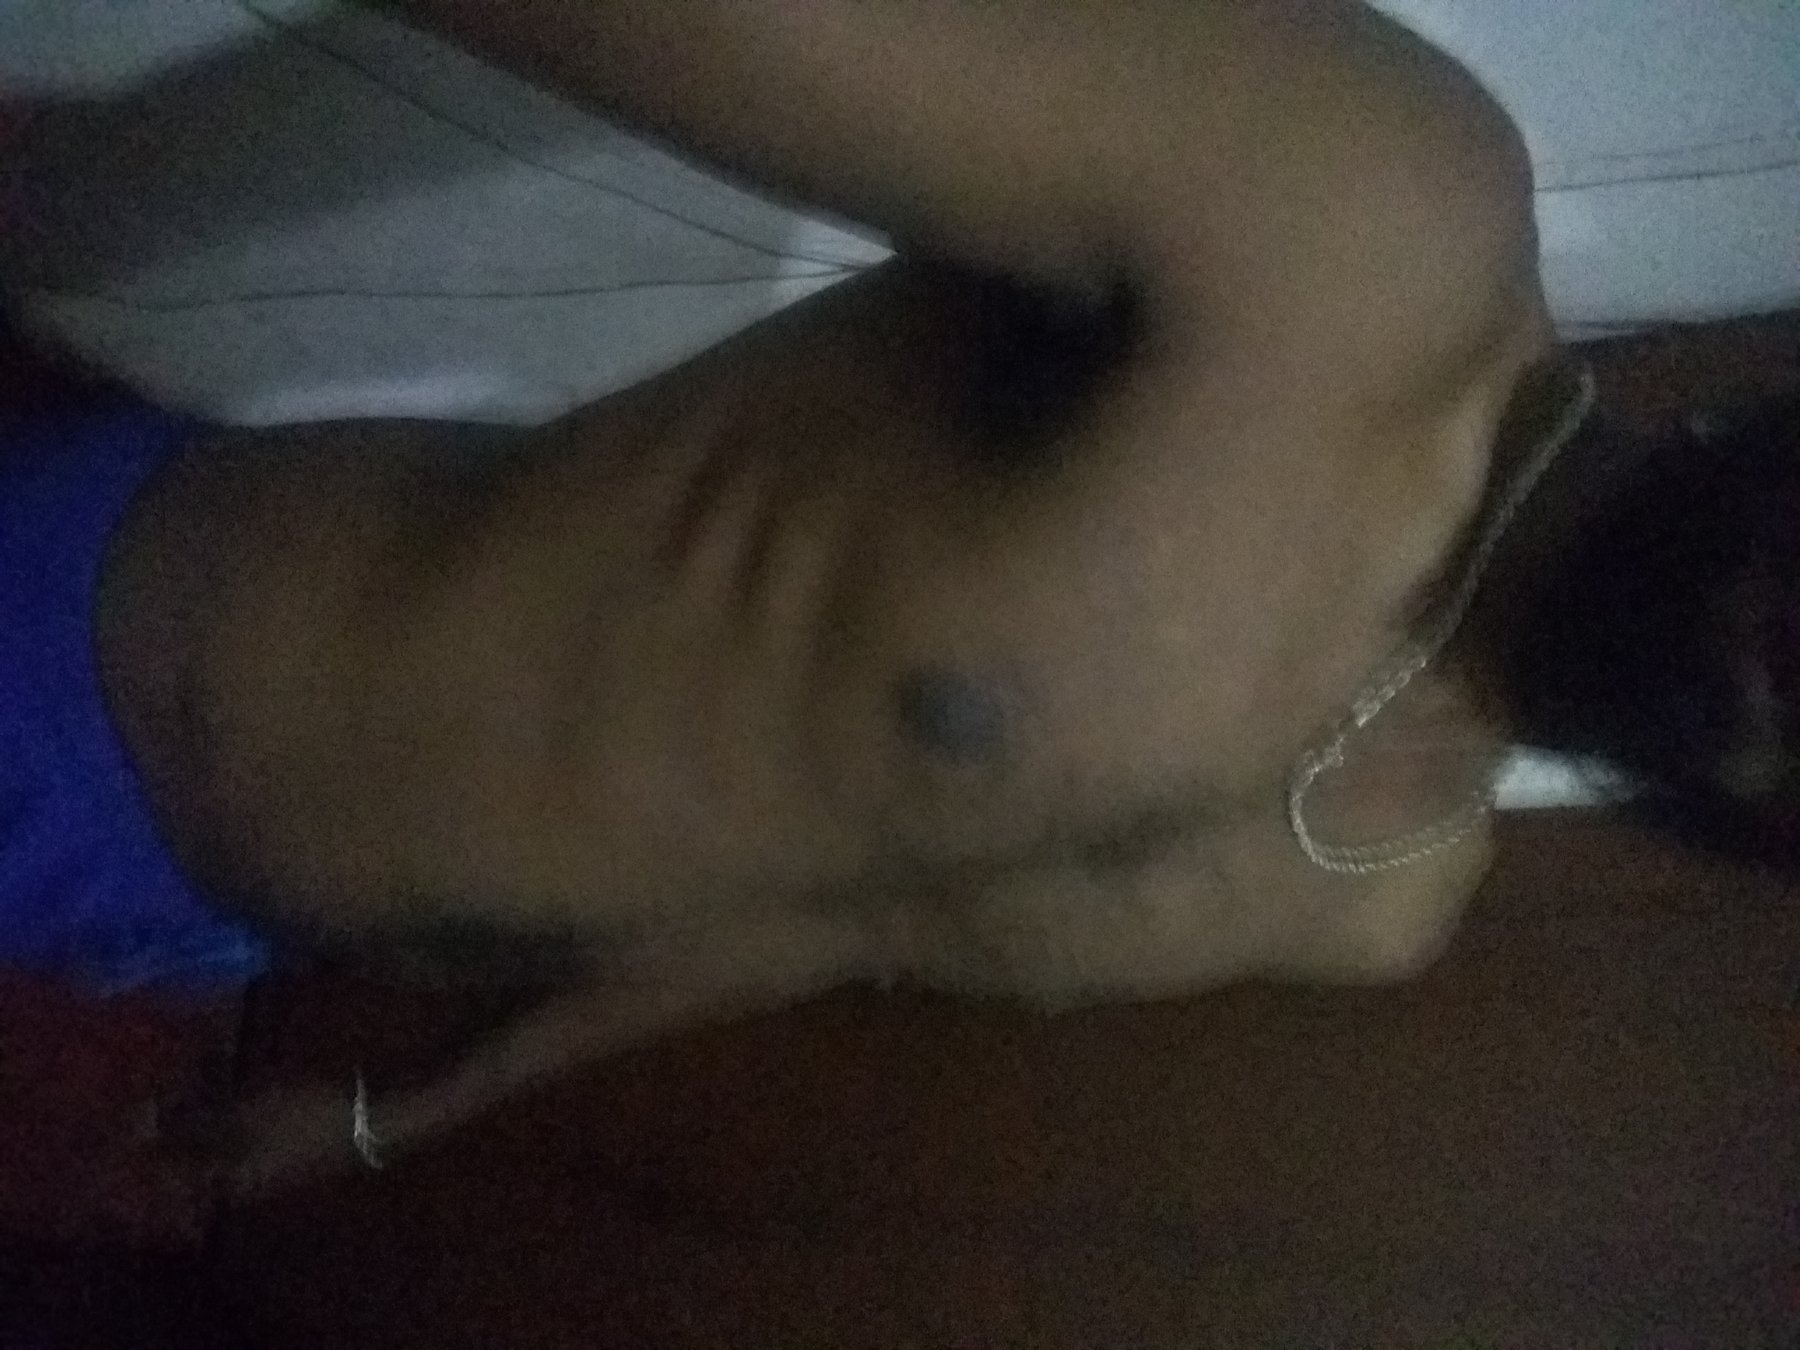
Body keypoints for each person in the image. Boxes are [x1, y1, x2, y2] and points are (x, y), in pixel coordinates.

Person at [2, 0, 1790, 1194]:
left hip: (203, 927)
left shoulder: (1373, 903)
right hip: (99, 652)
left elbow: (824, 917)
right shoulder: (1372, 235)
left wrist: (398, 1113)